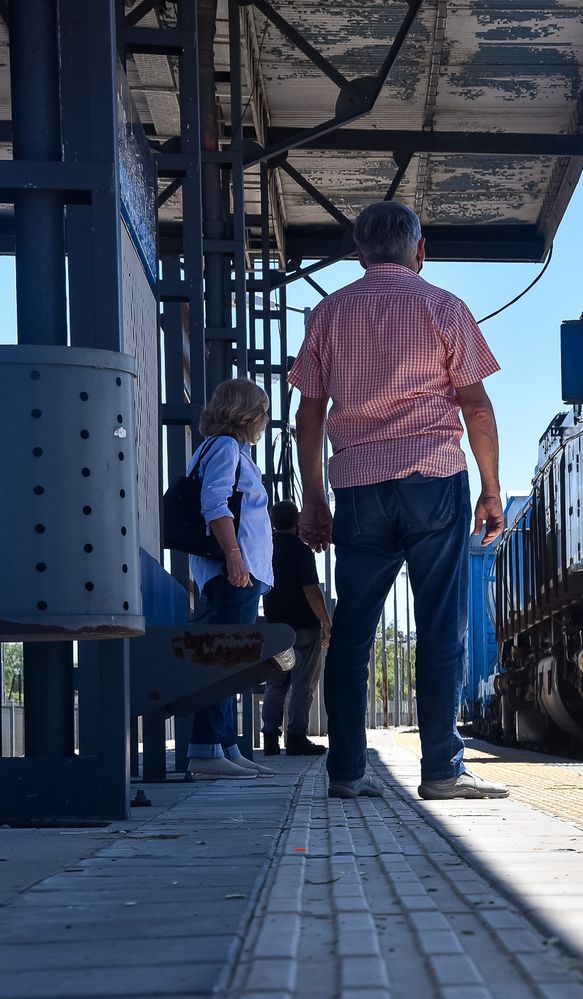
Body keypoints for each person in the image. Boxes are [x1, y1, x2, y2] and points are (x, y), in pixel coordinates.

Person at [289, 201, 509, 801]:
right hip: (434, 480)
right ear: (420, 250)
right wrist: (491, 489)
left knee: (352, 632)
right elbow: (477, 407)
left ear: (359, 252)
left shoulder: (328, 313)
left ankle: (346, 772)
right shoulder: (445, 307)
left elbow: (309, 415)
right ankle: (441, 771)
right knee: (440, 627)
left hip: (358, 486)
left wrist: (313, 499)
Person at [185, 378, 276, 780]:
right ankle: (206, 750)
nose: (265, 421)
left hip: (235, 571)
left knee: (231, 660)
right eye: (263, 412)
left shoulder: (224, 448)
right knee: (223, 659)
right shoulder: (224, 447)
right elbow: (214, 502)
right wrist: (234, 556)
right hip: (233, 572)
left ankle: (226, 746)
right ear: (247, 413)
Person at [261, 500, 332, 756]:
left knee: (276, 683)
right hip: (303, 627)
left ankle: (270, 738)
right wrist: (325, 621)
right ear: (298, 521)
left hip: (275, 628)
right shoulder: (301, 552)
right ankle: (296, 737)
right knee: (303, 683)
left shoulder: (265, 550)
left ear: (272, 522)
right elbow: (311, 589)